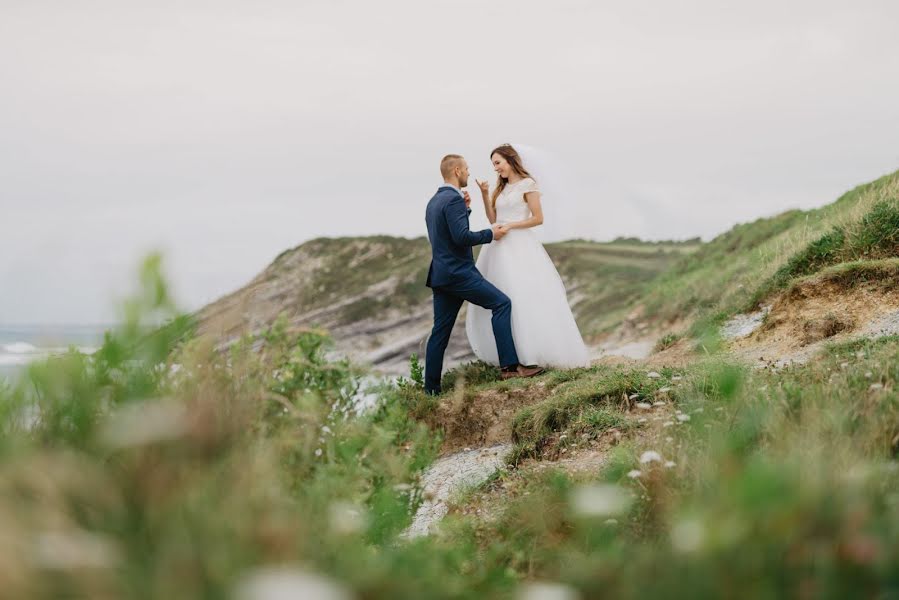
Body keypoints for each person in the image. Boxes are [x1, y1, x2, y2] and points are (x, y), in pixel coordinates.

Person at [423, 154, 544, 395]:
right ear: (457, 171)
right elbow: (461, 237)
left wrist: (466, 210)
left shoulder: (435, 200)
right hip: (460, 274)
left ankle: (431, 390)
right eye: (466, 169)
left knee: (439, 333)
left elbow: (448, 234)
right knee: (501, 303)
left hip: (441, 275)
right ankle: (509, 367)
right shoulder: (452, 200)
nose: (469, 173)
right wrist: (491, 234)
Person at [465, 144, 590, 369]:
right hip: (498, 247)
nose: (495, 168)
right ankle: (511, 355)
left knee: (526, 296)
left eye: (498, 162)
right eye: (493, 164)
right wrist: (484, 194)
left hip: (520, 245)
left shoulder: (528, 184)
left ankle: (534, 352)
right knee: (503, 298)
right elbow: (494, 218)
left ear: (510, 160)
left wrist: (512, 225)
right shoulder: (500, 189)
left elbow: (538, 218)